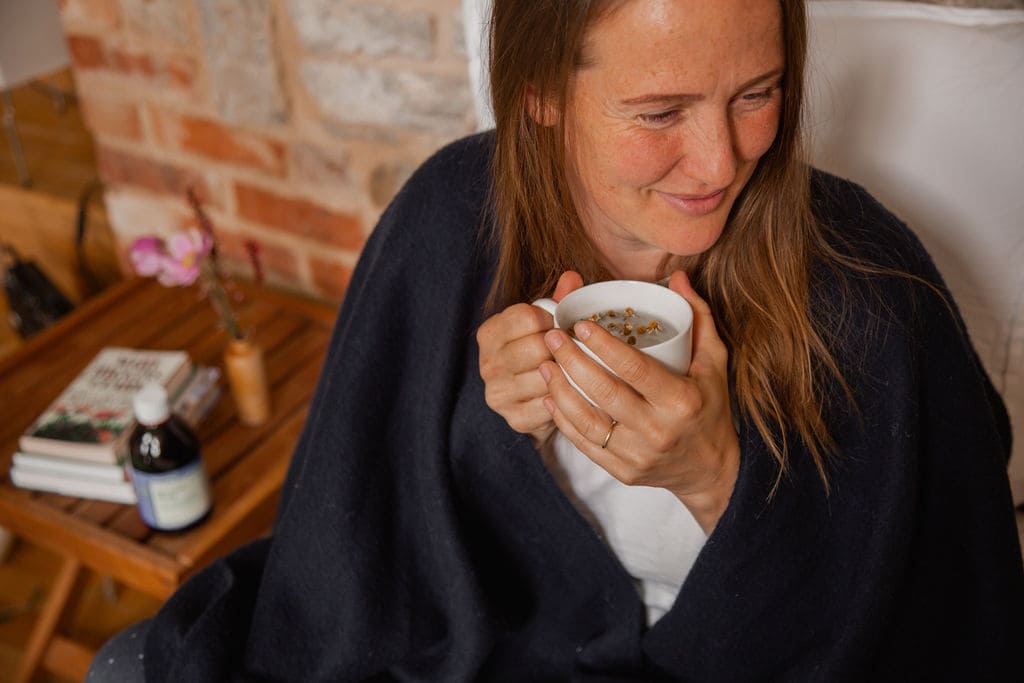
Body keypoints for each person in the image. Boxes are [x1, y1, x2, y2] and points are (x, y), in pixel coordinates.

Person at [89, 0, 1023, 680]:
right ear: (539, 94)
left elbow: (929, 614)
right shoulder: (450, 220)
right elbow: (358, 547)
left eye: (758, 92)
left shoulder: (864, 281)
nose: (722, 159)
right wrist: (504, 429)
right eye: (660, 113)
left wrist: (717, 482)